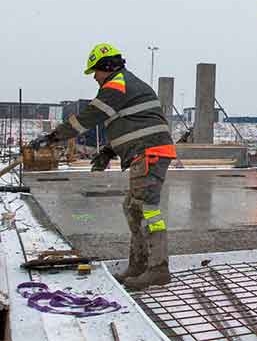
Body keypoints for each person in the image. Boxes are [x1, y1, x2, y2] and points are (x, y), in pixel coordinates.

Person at [31, 43, 176, 290]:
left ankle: (158, 268)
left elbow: (90, 116)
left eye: (95, 72)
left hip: (149, 153)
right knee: (132, 208)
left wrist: (53, 137)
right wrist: (109, 150)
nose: (95, 78)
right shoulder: (126, 85)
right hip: (147, 151)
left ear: (106, 67)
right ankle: (139, 265)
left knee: (145, 210)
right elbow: (131, 124)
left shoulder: (116, 84)